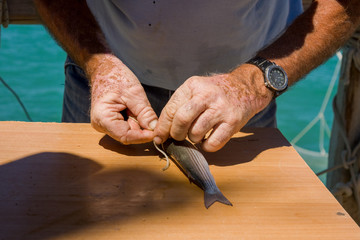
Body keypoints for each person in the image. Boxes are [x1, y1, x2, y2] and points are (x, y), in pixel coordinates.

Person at [34, 0, 360, 152]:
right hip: (99, 80)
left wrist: (251, 84)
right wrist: (100, 64)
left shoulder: (248, 89)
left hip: (243, 98)